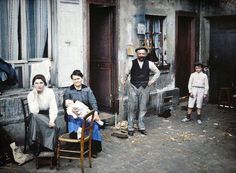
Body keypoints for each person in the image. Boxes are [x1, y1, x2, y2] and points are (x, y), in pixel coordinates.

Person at [63, 70, 102, 158]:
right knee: (73, 123)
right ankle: (75, 148)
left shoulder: (87, 89)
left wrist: (95, 112)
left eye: (78, 78)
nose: (76, 81)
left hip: (86, 113)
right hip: (74, 115)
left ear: (82, 78)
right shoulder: (68, 91)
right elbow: (65, 104)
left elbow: (93, 103)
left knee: (94, 125)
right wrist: (72, 110)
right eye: (74, 79)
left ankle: (93, 149)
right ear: (72, 80)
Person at [122, 47, 160, 136]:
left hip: (145, 87)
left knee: (143, 108)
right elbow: (125, 74)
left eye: (143, 54)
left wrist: (151, 81)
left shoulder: (150, 63)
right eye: (140, 53)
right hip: (133, 87)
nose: (141, 55)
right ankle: (130, 127)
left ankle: (141, 126)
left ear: (146, 54)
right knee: (132, 108)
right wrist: (124, 81)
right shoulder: (131, 63)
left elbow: (157, 72)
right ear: (137, 54)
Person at [27, 74, 58, 154]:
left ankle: (35, 143)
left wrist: (51, 120)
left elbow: (53, 107)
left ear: (45, 84)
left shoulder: (49, 92)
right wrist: (35, 96)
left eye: (41, 83)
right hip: (36, 116)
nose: (39, 85)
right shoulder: (31, 95)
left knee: (37, 119)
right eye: (36, 83)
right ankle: (39, 145)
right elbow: (34, 111)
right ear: (33, 85)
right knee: (34, 117)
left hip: (47, 116)